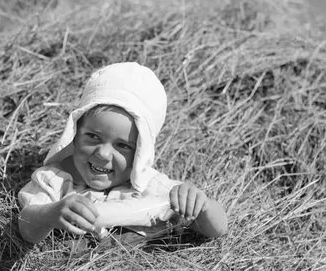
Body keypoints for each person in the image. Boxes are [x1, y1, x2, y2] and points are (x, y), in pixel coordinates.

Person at [17, 62, 227, 244]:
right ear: (75, 134)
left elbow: (218, 229)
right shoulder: (55, 180)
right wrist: (49, 215)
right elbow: (27, 228)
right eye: (93, 137)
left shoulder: (152, 187)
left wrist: (203, 205)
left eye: (123, 146)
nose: (104, 154)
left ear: (140, 152)